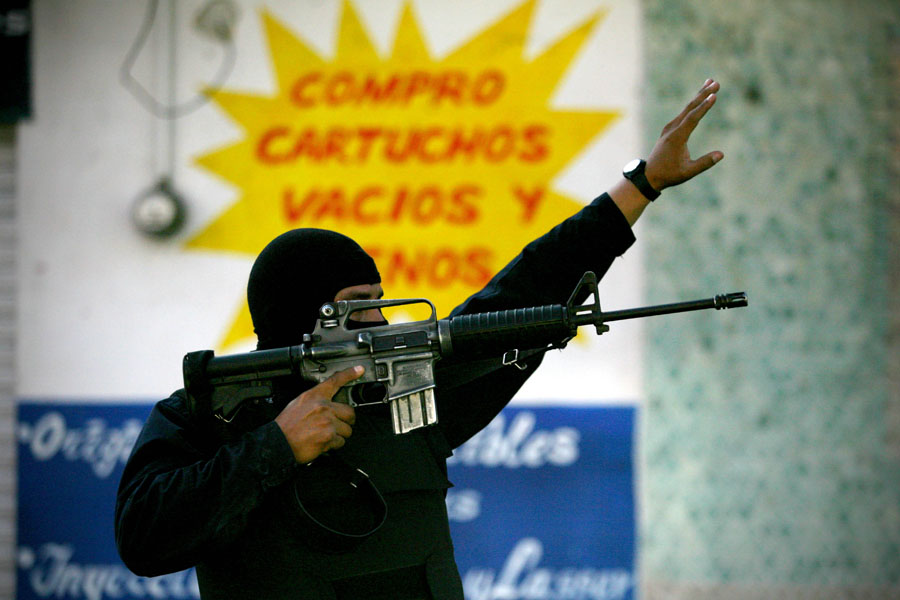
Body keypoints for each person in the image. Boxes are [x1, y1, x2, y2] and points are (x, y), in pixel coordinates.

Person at [115, 80, 725, 599]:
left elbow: (518, 296)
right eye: (357, 307)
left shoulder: (409, 388)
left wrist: (641, 185)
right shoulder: (211, 412)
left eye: (379, 302)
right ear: (301, 317)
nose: (379, 323)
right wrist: (275, 446)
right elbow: (142, 538)